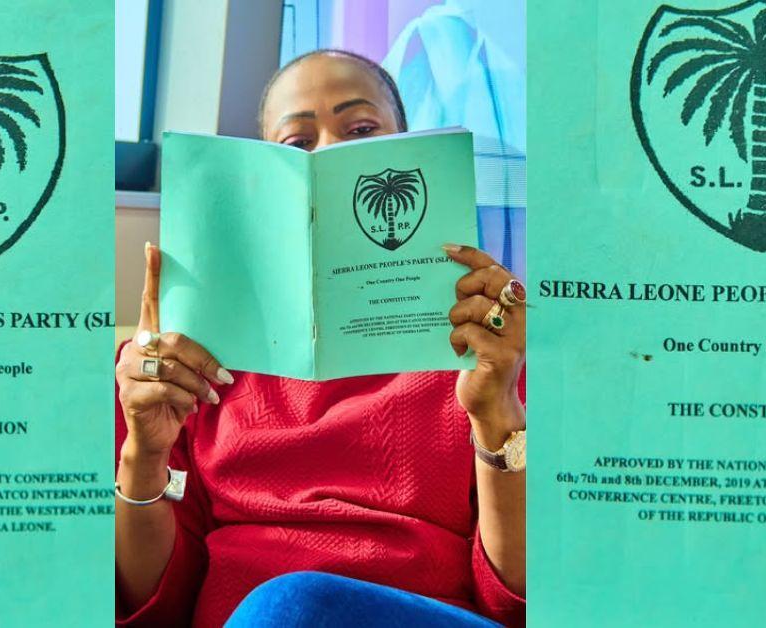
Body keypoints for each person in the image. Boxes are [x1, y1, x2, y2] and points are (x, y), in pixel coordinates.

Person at [115, 49, 525, 627]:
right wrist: (144, 450)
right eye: (297, 143)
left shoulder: (484, 353)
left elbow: (517, 599)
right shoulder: (185, 366)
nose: (328, 152)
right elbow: (152, 604)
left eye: (361, 131)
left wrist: (496, 411)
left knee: (294, 606)